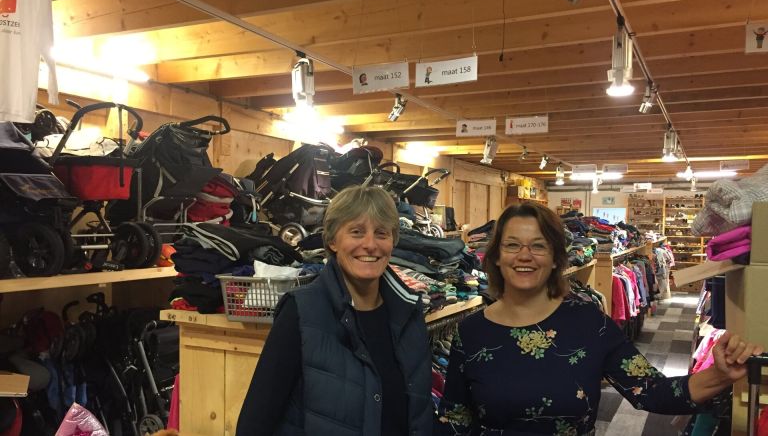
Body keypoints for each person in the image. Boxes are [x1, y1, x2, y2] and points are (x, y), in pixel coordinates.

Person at [435, 202, 763, 435]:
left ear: (555, 258)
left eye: (538, 245)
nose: (524, 255)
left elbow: (651, 390)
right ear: (495, 257)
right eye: (512, 245)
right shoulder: (472, 332)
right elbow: (455, 420)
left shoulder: (589, 323)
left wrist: (720, 375)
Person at [237, 185, 432, 435]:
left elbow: (419, 414)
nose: (370, 244)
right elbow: (256, 420)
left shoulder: (409, 314)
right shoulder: (301, 311)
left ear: (393, 241)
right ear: (332, 240)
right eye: (356, 232)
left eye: (381, 233)